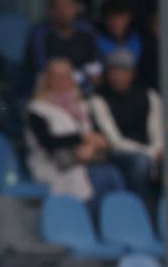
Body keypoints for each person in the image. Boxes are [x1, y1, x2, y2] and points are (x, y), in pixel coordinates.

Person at [26, 57, 125, 203]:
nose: (62, 81)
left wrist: (91, 146)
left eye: (66, 76)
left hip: (87, 161)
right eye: (56, 77)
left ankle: (117, 221)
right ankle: (88, 223)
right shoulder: (37, 109)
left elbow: (100, 137)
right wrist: (81, 138)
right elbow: (47, 142)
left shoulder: (82, 106)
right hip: (54, 165)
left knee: (112, 173)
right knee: (97, 177)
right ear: (47, 79)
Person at [89, 50, 162, 199]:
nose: (117, 76)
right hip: (118, 153)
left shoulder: (149, 95)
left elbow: (157, 131)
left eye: (123, 71)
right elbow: (113, 140)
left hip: (151, 152)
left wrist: (156, 150)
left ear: (132, 73)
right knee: (140, 163)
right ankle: (139, 206)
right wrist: (148, 153)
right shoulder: (98, 98)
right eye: (113, 71)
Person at [26, 0, 101, 89]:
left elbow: (94, 62)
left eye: (67, 6)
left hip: (83, 86)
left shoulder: (86, 31)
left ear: (76, 8)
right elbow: (42, 70)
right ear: (50, 11)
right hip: (50, 88)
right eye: (57, 7)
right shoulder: (40, 34)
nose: (63, 12)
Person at [94, 0, 143, 65]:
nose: (117, 22)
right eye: (112, 18)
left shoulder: (138, 40)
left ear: (129, 17)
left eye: (121, 17)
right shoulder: (94, 40)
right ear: (104, 20)